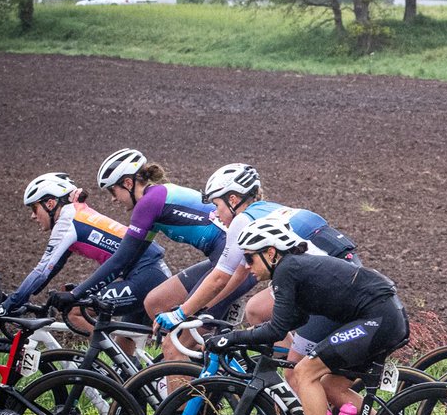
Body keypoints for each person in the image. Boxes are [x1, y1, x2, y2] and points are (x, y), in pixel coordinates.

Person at [204, 218, 408, 415]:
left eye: (251, 258)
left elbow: (276, 330)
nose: (247, 266)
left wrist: (230, 339)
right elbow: (291, 321)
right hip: (385, 316)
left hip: (378, 319)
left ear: (271, 253)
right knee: (330, 386)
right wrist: (246, 339)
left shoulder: (287, 271)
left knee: (304, 372)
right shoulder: (294, 269)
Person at [154, 163, 359, 381]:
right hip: (343, 269)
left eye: (216, 204)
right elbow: (238, 274)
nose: (214, 212)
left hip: (332, 284)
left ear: (233, 200)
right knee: (256, 310)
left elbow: (219, 277)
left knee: (297, 374)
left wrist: (180, 314)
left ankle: (300, 393)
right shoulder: (267, 210)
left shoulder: (243, 221)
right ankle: (284, 385)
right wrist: (202, 307)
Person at [86, 148, 251, 349]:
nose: (113, 198)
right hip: (222, 260)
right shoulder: (155, 200)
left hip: (234, 264)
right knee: (155, 302)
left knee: (174, 349)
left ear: (128, 183)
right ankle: (189, 364)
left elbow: (119, 259)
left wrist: (78, 295)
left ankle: (189, 367)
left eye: (113, 191)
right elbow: (128, 258)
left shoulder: (148, 202)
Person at [0, 173, 170, 325]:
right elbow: (55, 266)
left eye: (34, 208)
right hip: (152, 273)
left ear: (50, 204)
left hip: (145, 278)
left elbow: (42, 270)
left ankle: (93, 361)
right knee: (126, 345)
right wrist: (23, 298)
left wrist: (7, 305)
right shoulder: (77, 212)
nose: (32, 215)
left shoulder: (67, 222)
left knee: (75, 311)